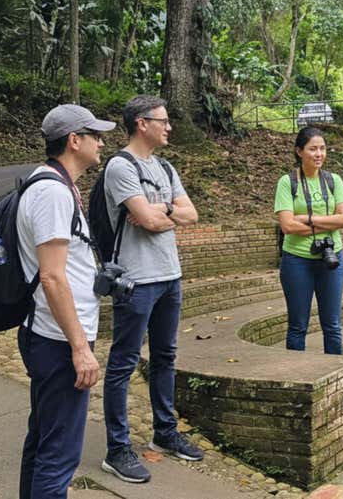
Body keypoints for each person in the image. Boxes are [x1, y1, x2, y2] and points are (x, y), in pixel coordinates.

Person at [17, 104, 116, 498]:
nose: (102, 142)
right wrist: (80, 348)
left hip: (48, 333)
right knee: (59, 456)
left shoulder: (49, 185)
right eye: (95, 135)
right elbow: (53, 276)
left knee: (43, 443)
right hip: (58, 340)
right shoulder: (53, 193)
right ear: (74, 141)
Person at [101, 95, 201, 484]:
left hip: (169, 275)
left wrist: (163, 213)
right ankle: (117, 448)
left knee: (165, 356)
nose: (169, 127)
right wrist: (160, 214)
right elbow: (146, 219)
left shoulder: (164, 166)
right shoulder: (119, 167)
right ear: (142, 123)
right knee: (123, 362)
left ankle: (164, 432)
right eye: (163, 121)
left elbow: (189, 214)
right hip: (136, 279)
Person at [274, 126, 343, 354]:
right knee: (298, 326)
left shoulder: (334, 180)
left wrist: (306, 220)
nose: (319, 154)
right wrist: (329, 222)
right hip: (297, 260)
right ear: (299, 151)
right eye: (313, 149)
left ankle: (337, 377)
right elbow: (287, 226)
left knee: (333, 326)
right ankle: (298, 378)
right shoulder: (287, 182)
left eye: (323, 149)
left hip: (332, 257)